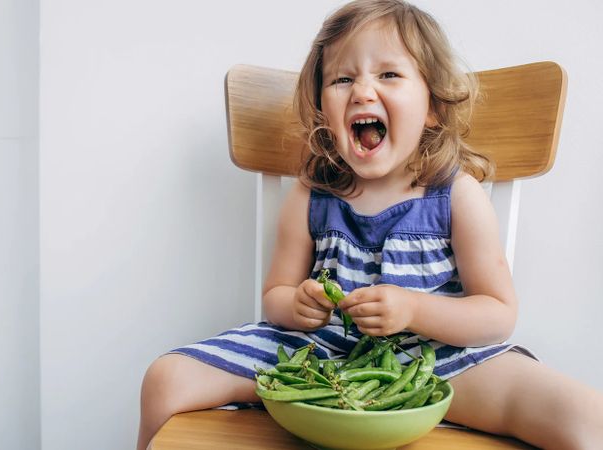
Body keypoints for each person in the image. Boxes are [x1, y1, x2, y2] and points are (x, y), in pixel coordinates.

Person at [137, 1, 603, 449]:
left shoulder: (456, 195)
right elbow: (276, 297)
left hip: (433, 361)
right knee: (165, 379)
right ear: (322, 109)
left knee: (587, 417)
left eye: (389, 74)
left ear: (434, 105)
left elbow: (498, 313)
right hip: (315, 358)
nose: (362, 90)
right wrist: (298, 305)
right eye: (342, 78)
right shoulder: (310, 194)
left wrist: (414, 311)